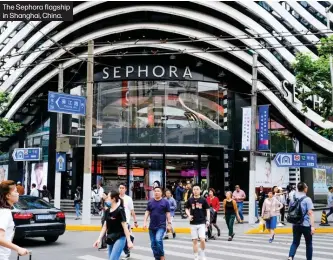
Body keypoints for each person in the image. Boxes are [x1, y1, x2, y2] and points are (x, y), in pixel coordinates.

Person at [93, 191, 133, 260]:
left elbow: (124, 226)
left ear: (113, 199)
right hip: (110, 237)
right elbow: (105, 226)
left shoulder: (120, 210)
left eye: (108, 196)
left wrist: (129, 241)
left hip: (120, 237)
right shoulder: (107, 211)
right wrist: (99, 239)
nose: (106, 198)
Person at [0, 180, 29, 259]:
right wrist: (18, 248)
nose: (18, 194)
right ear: (8, 196)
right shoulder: (5, 212)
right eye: (16, 191)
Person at [288, 182, 315, 260]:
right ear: (305, 188)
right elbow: (310, 213)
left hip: (295, 224)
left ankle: (290, 257)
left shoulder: (293, 198)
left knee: (295, 242)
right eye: (306, 187)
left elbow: (290, 210)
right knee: (309, 244)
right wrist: (312, 226)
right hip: (305, 225)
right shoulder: (307, 199)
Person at [143, 186, 172, 260]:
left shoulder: (165, 202)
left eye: (158, 191)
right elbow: (147, 212)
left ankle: (161, 255)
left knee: (158, 240)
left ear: (161, 193)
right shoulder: (150, 202)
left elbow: (168, 213)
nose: (156, 192)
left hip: (161, 226)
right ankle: (157, 257)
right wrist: (144, 222)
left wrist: (169, 224)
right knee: (153, 244)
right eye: (155, 191)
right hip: (152, 226)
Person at [185, 184, 210, 260]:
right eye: (194, 189)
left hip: (202, 222)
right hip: (193, 223)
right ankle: (196, 256)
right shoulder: (190, 200)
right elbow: (186, 208)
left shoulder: (203, 200)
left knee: (202, 239)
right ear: (192, 191)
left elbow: (207, 210)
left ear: (200, 191)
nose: (195, 191)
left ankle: (202, 254)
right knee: (195, 241)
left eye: (197, 189)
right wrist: (189, 215)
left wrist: (208, 220)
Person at [118, 183, 138, 260]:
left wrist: (135, 221)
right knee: (120, 238)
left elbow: (132, 211)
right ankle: (130, 238)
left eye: (123, 188)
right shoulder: (116, 198)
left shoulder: (128, 199)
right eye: (120, 187)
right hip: (117, 222)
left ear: (126, 189)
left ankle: (126, 252)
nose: (121, 189)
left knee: (124, 238)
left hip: (126, 222)